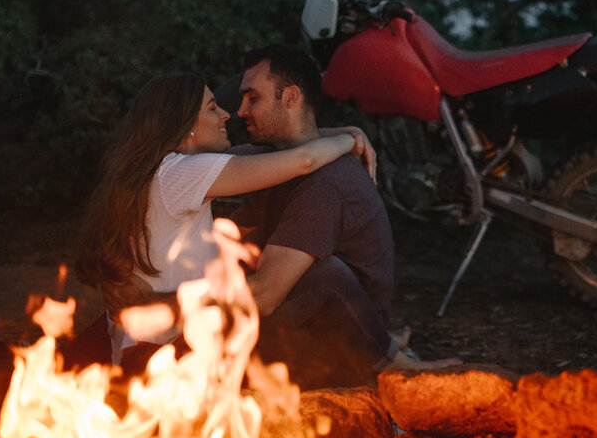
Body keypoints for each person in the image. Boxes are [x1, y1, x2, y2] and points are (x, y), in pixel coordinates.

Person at [72, 72, 367, 370]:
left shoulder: (155, 174)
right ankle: (386, 361)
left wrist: (337, 132)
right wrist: (351, 140)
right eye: (213, 108)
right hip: (170, 358)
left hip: (146, 353)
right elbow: (303, 160)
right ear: (185, 125)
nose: (226, 114)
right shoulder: (183, 173)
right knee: (322, 276)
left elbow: (275, 149)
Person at [231, 43, 458, 387]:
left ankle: (395, 367)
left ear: (291, 97)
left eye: (253, 98)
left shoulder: (325, 184)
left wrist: (167, 306)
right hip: (311, 322)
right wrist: (344, 134)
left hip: (343, 348)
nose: (240, 111)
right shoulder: (276, 159)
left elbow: (264, 297)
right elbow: (210, 162)